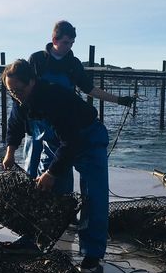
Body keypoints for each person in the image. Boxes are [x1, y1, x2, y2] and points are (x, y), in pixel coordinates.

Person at [2, 59, 109, 272]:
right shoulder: (19, 97)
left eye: (18, 90)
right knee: (43, 191)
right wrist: (10, 152)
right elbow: (15, 124)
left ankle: (92, 254)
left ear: (32, 81)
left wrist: (52, 172)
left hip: (87, 140)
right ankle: (34, 239)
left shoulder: (55, 97)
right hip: (55, 143)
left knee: (93, 197)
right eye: (10, 91)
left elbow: (71, 142)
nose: (15, 95)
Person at [19, 20, 134, 194]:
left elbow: (89, 89)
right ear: (54, 39)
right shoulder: (37, 59)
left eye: (72, 43)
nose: (69, 47)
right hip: (38, 121)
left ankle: (64, 208)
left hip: (61, 120)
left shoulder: (73, 64)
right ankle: (28, 199)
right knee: (32, 167)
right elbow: (24, 90)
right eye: (66, 42)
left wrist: (119, 100)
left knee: (59, 167)